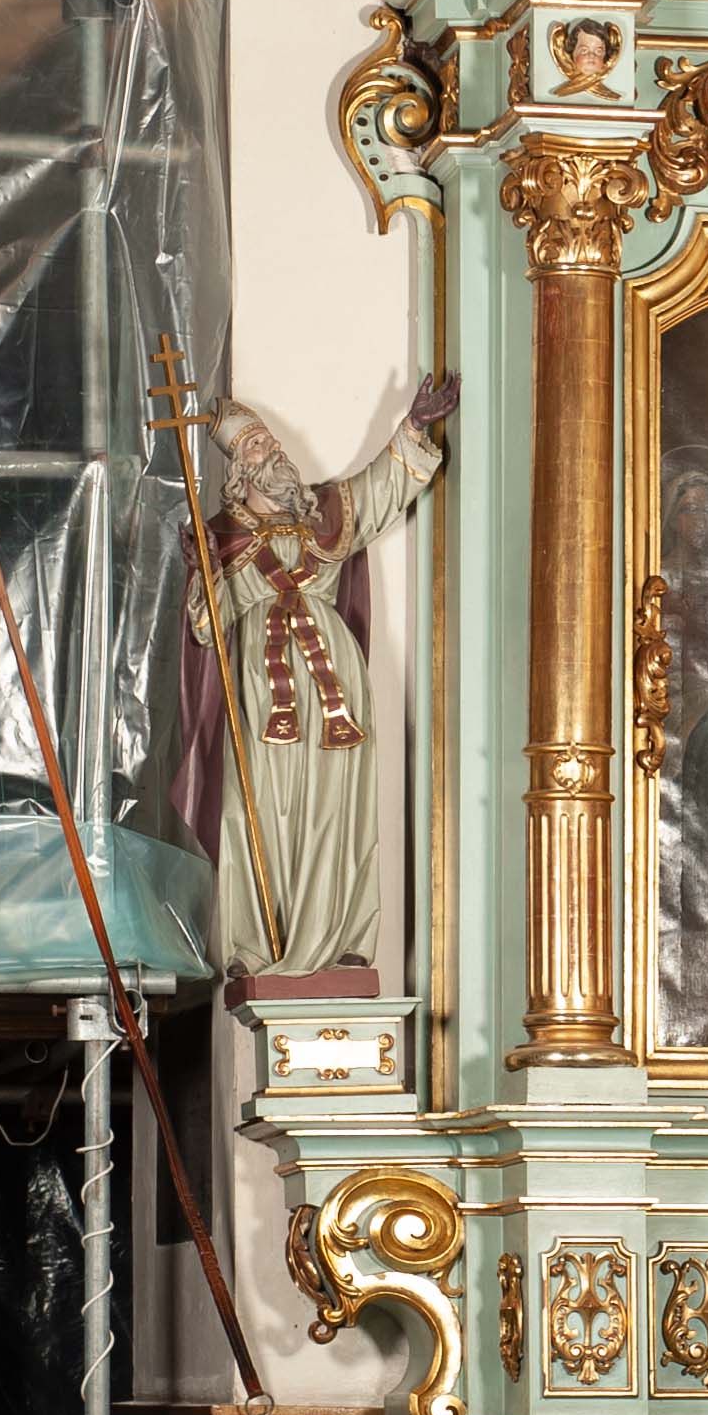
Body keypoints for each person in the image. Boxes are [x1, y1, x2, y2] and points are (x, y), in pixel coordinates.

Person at [173, 375, 457, 975]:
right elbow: (204, 626)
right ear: (239, 473)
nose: (273, 450)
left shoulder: (326, 513)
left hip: (335, 684)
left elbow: (380, 488)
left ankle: (344, 938)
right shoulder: (217, 536)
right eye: (256, 446)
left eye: (270, 441)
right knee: (258, 806)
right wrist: (205, 571)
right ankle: (256, 945)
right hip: (260, 686)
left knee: (338, 804)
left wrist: (412, 427)